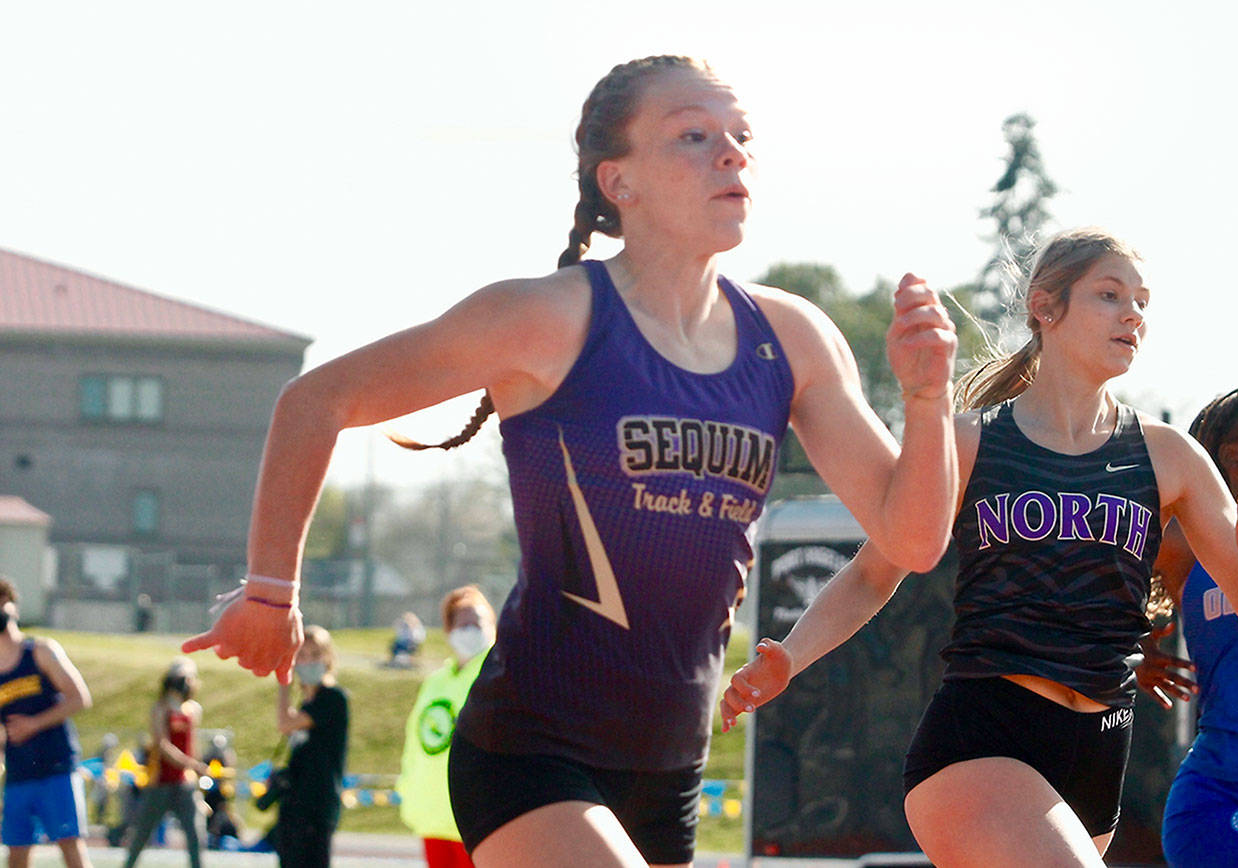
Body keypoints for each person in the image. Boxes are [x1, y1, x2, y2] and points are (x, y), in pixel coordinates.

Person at [183, 54, 961, 868]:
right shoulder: (544, 319)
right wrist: (271, 592)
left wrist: (926, 397)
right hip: (527, 750)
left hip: (670, 768)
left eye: (741, 137)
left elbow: (911, 542)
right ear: (617, 181)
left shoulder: (792, 338)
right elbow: (316, 400)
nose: (731, 154)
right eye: (693, 136)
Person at [721, 228, 1238, 867]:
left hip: (1100, 752)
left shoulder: (1169, 457)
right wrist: (788, 657)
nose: (1133, 313)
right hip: (982, 740)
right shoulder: (970, 442)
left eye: (1142, 301)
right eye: (1110, 295)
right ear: (1045, 307)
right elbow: (873, 572)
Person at [1137, 386, 1238, 868]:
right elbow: (1115, 590)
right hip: (1223, 798)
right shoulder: (1190, 542)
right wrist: (1138, 652)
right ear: (1232, 456)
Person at [396, 586, 496, 868]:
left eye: (478, 622)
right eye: (463, 624)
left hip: (478, 816)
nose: (471, 629)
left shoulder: (498, 674)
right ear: (449, 630)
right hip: (434, 814)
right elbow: (416, 740)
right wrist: (408, 788)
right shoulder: (436, 682)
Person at [0, 577, 94, 868]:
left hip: (55, 768)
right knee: (16, 854)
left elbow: (80, 697)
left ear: (12, 607)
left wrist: (34, 724)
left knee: (71, 848)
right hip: (18, 773)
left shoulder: (40, 651)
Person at [273, 625, 348, 868]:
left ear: (327, 658)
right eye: (302, 656)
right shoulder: (305, 704)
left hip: (317, 806)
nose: (308, 662)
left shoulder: (332, 699)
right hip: (294, 805)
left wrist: (283, 679)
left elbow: (285, 723)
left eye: (315, 655)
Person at [122, 658, 206, 868]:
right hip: (160, 781)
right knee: (143, 832)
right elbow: (162, 745)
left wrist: (194, 769)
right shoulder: (160, 708)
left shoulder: (192, 709)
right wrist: (189, 763)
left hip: (184, 782)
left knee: (195, 832)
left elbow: (192, 743)